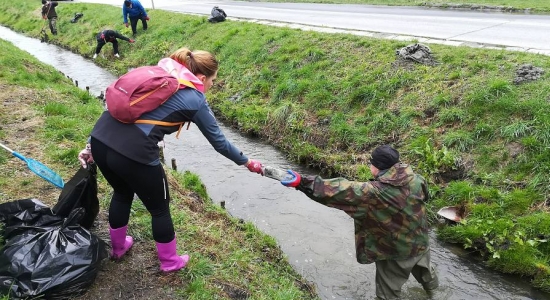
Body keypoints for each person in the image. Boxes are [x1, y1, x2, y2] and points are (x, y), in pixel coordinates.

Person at [78, 47, 264, 273]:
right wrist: (246, 162)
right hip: (133, 154)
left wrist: (90, 145)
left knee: (122, 192)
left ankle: (118, 249)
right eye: (213, 80)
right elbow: (220, 143)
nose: (213, 85)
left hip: (100, 142)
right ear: (202, 78)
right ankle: (169, 262)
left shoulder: (159, 74)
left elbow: (115, 109)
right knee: (159, 209)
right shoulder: (195, 98)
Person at [281, 145, 439, 300]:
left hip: (394, 254)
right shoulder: (417, 179)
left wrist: (302, 182)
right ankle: (435, 295)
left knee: (387, 295)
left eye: (371, 163)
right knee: (429, 278)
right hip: (421, 244)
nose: (370, 166)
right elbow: (426, 197)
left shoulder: (373, 192)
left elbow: (338, 190)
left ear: (378, 168)